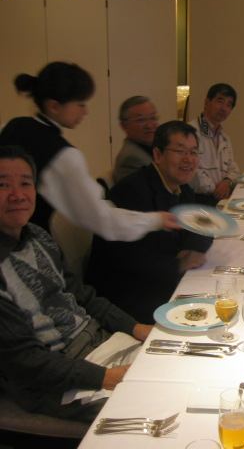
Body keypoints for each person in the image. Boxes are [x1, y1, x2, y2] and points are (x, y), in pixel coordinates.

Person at [0, 146, 153, 422]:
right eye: (3, 185)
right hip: (57, 381)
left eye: (25, 183)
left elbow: (82, 295)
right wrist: (106, 377)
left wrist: (135, 327)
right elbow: (25, 361)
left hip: (100, 343)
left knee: (179, 364)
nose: (17, 195)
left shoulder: (37, 235)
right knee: (156, 406)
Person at [0, 61, 178, 238]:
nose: (85, 112)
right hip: (25, 243)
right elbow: (102, 219)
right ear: (54, 106)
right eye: (80, 104)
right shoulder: (63, 156)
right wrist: (156, 220)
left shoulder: (10, 126)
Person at [85, 121, 213, 323]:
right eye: (180, 151)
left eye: (193, 152)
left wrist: (189, 251)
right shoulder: (132, 191)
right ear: (158, 155)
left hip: (158, 279)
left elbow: (202, 227)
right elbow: (127, 260)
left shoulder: (181, 187)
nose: (189, 159)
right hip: (129, 294)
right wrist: (179, 263)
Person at [188, 83, 240, 204]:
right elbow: (191, 172)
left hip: (220, 197)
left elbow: (233, 168)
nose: (224, 108)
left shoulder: (224, 138)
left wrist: (227, 181)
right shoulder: (190, 132)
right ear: (207, 102)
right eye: (220, 101)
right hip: (198, 200)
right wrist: (217, 189)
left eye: (229, 105)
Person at [113, 95, 159, 184]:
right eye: (141, 120)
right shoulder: (130, 159)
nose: (150, 125)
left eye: (153, 118)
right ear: (124, 126)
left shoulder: (154, 147)